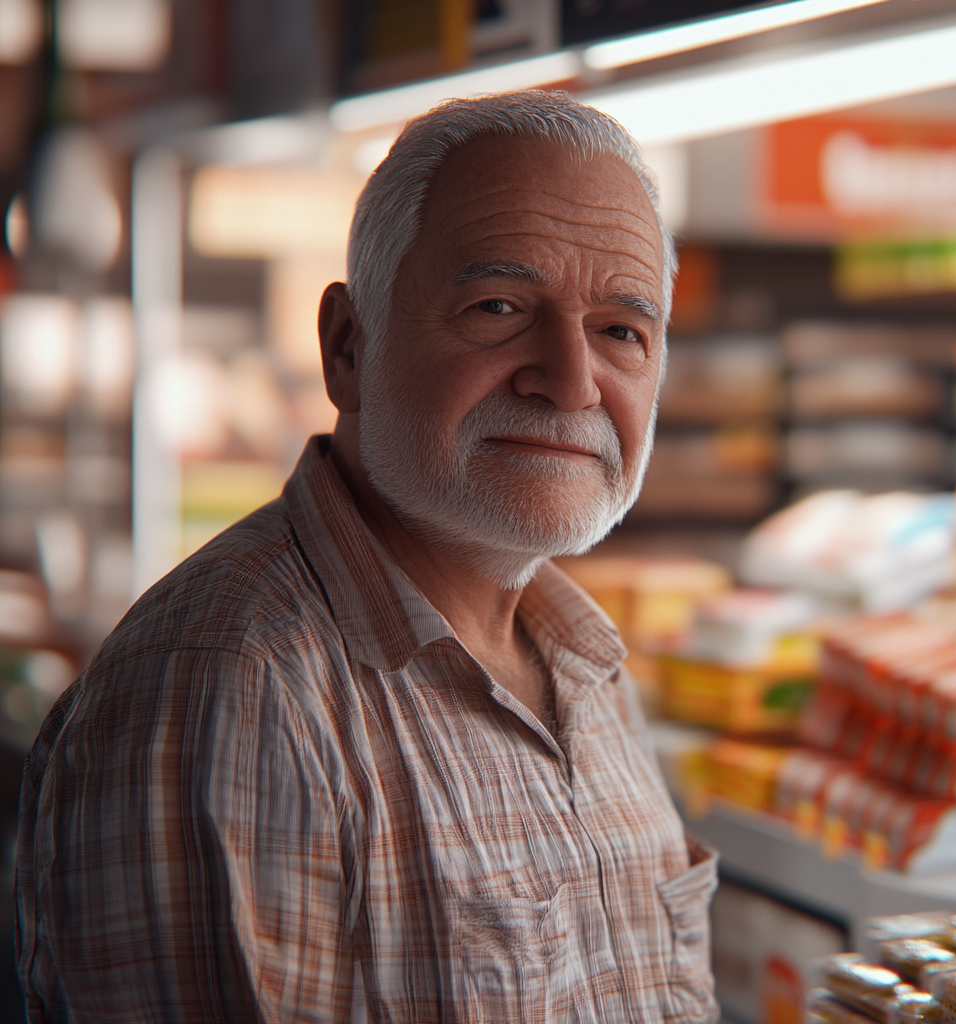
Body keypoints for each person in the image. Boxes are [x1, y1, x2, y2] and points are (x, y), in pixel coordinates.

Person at [16, 90, 717, 1023]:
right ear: (348, 347)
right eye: (499, 306)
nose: (572, 379)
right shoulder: (233, 686)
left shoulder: (586, 661)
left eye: (622, 331)